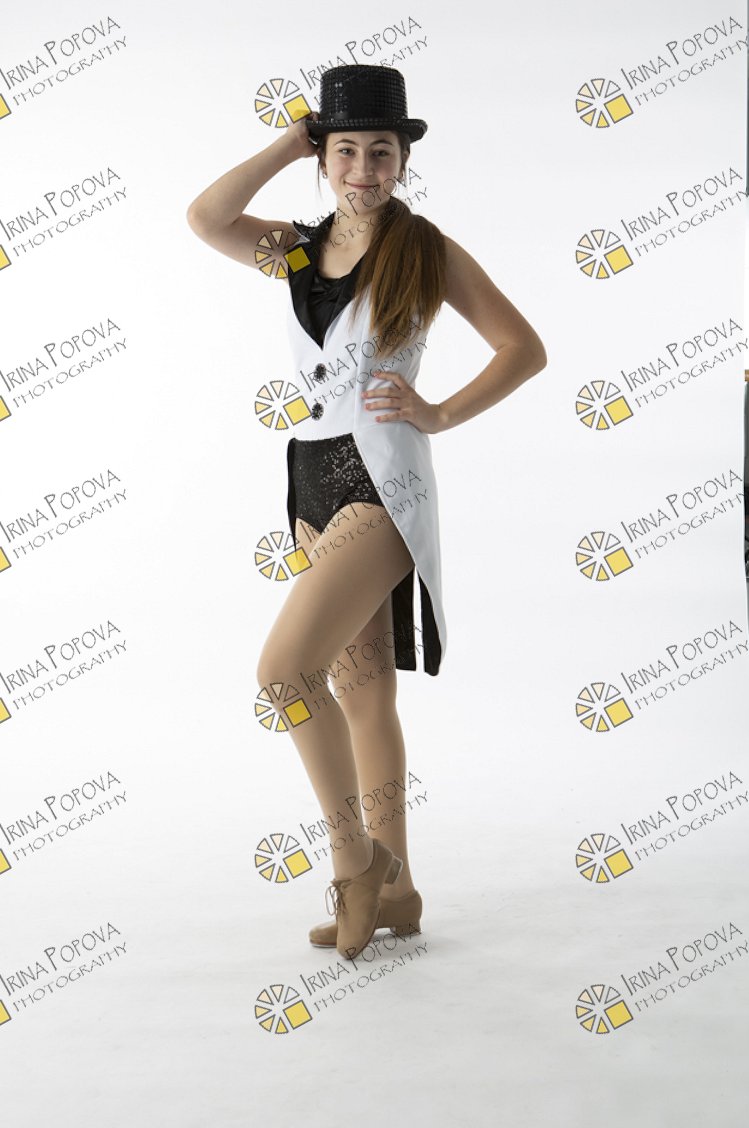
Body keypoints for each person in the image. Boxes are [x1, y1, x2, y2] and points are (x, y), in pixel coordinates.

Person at [186, 64, 547, 961]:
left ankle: (356, 863)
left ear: (402, 159)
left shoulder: (426, 249)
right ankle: (401, 892)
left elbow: (522, 347)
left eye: (380, 151)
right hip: (311, 474)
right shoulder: (297, 251)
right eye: (344, 150)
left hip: (382, 478)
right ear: (324, 158)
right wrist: (290, 140)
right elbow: (208, 218)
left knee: (283, 672)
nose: (362, 169)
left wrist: (441, 412)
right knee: (362, 692)